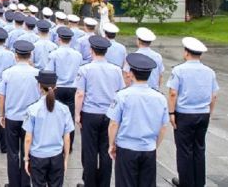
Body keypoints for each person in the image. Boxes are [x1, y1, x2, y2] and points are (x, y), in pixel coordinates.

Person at [107, 53, 169, 187]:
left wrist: (111, 144)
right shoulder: (160, 98)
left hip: (127, 148)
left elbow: (113, 123)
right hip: (148, 148)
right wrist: (155, 146)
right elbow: (163, 127)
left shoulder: (122, 95)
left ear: (131, 73)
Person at [167, 37, 219, 187]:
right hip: (203, 114)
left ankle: (186, 182)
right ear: (200, 55)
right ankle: (199, 182)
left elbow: (172, 93)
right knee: (199, 148)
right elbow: (214, 95)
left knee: (184, 150)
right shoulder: (210, 72)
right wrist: (209, 112)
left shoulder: (179, 70)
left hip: (184, 114)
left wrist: (171, 113)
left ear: (186, 53)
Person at [74, 36, 125, 187]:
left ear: (91, 50)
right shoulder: (116, 70)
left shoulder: (85, 69)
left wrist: (77, 114)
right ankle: (104, 184)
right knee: (106, 150)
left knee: (89, 151)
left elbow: (80, 93)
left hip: (90, 113)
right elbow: (121, 92)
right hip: (109, 114)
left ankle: (89, 183)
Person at [0, 40, 40, 187]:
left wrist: (1, 114)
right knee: (28, 152)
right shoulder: (37, 74)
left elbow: (1, 96)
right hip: (31, 119)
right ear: (30, 55)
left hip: (12, 117)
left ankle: (14, 183)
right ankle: (26, 182)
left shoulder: (7, 73)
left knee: (13, 153)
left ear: (16, 55)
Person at [23, 70, 74, 187]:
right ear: (55, 87)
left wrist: (26, 159)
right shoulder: (64, 109)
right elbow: (67, 138)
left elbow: (28, 138)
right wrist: (65, 159)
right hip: (56, 156)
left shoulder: (32, 109)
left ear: (39, 86)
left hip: (38, 157)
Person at [46, 26, 82, 153]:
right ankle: (69, 145)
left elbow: (49, 73)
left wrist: (47, 90)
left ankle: (55, 142)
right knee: (70, 117)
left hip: (58, 87)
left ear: (59, 39)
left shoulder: (54, 54)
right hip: (72, 88)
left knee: (55, 115)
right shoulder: (78, 55)